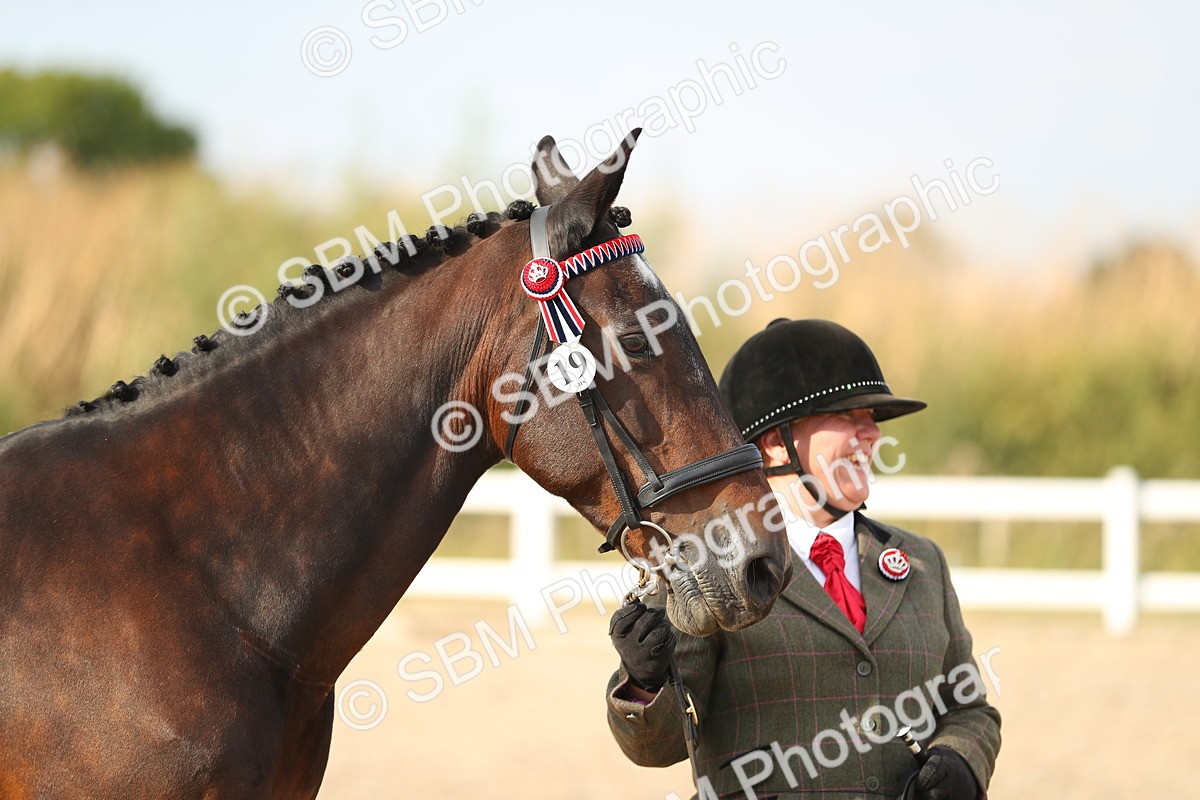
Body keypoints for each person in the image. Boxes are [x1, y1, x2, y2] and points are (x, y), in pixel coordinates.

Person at [605, 319, 1000, 800]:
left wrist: (962, 759)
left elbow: (968, 705)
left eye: (872, 417)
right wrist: (645, 681)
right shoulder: (708, 571)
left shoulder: (922, 562)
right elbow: (658, 747)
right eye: (850, 416)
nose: (873, 433)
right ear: (776, 442)